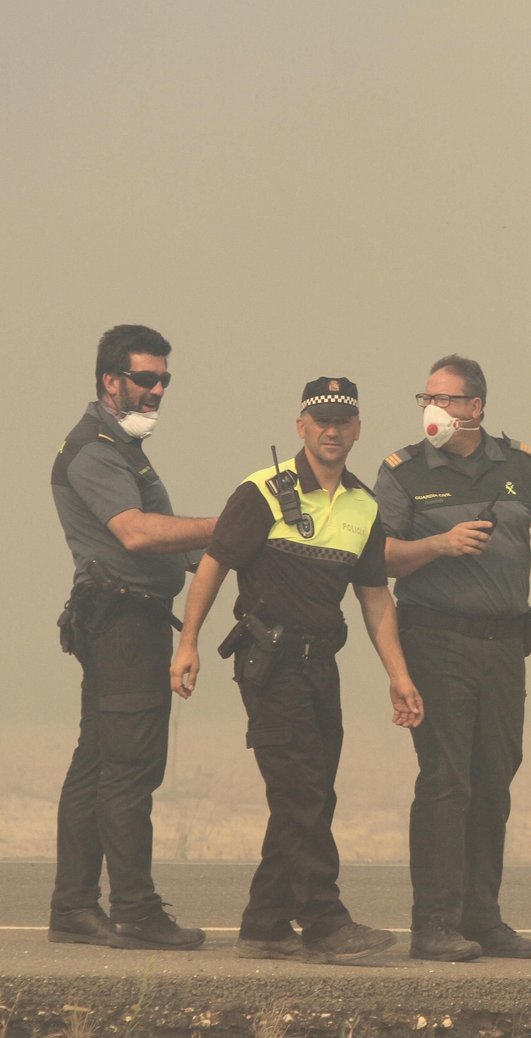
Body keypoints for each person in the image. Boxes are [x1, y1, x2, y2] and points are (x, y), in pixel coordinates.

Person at [169, 376, 425, 965]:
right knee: (301, 791)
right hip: (270, 664)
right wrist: (188, 644)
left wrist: (398, 674)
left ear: (356, 429)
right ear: (301, 427)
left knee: (310, 795)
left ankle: (263, 923)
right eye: (321, 421)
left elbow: (374, 598)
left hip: (321, 666)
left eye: (343, 421)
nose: (332, 431)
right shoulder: (260, 492)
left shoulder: (364, 504)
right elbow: (212, 567)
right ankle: (325, 923)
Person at [374, 354, 531, 962]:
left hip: (505, 644)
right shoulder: (403, 471)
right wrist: (438, 544)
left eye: (445, 400)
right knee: (446, 779)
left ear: (476, 407)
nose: (432, 410)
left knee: (494, 777)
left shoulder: (518, 463)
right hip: (436, 640)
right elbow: (377, 556)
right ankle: (433, 923)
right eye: (426, 400)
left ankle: (482, 917)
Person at [48, 324, 217, 951]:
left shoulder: (122, 447)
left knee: (96, 765)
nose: (157, 390)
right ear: (109, 380)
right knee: (129, 770)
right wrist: (234, 522)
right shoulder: (95, 450)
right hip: (122, 625)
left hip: (125, 619)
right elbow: (140, 534)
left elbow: (176, 545)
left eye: (164, 380)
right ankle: (137, 913)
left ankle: (72, 909)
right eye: (145, 378)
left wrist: (241, 548)